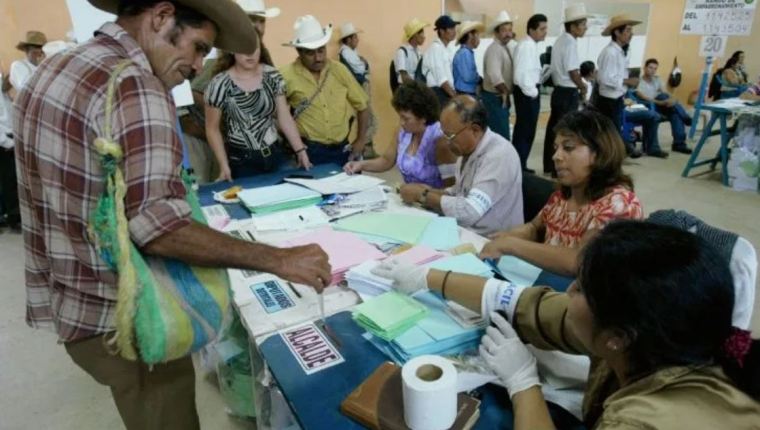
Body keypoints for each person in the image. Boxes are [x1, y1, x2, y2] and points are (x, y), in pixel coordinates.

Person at [13, 2, 331, 429]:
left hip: (76, 303)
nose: (198, 65)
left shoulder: (58, 67)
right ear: (161, 17)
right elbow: (157, 226)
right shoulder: (136, 85)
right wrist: (280, 260)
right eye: (198, 47)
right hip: (131, 318)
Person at [373, 221, 760, 429]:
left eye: (580, 288)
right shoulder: (655, 335)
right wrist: (428, 278)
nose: (568, 289)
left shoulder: (644, 421)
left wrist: (525, 386)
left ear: (616, 339)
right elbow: (525, 304)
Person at [480, 110, 643, 276]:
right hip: (548, 284)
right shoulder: (563, 195)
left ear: (599, 153)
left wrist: (511, 245)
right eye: (556, 148)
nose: (556, 157)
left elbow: (579, 262)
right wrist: (502, 237)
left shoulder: (619, 204)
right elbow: (534, 228)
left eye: (568, 148)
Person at [181, 0, 280, 183]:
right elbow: (191, 93)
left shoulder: (261, 56)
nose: (257, 25)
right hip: (199, 139)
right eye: (251, 19)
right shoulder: (219, 49)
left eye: (261, 20)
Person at [398, 95, 524, 235]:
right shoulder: (467, 151)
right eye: (443, 134)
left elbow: (469, 211)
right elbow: (461, 192)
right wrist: (432, 191)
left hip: (490, 240)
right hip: (468, 231)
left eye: (450, 136)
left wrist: (423, 195)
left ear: (475, 130)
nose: (446, 142)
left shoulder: (499, 155)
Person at [205, 44, 312, 180]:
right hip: (242, 159)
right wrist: (223, 164)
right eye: (243, 48)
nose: (250, 54)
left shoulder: (272, 75)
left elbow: (284, 116)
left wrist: (300, 150)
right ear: (232, 49)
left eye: (254, 47)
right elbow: (212, 129)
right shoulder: (219, 84)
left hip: (275, 153)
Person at [280, 15, 370, 165]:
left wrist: (360, 140)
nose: (318, 58)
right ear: (299, 51)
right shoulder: (285, 76)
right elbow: (274, 114)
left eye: (321, 50)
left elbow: (363, 105)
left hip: (342, 150)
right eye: (310, 53)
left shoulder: (339, 70)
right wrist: (295, 146)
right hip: (309, 152)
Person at [343, 81, 457, 188]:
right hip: (410, 199)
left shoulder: (440, 141)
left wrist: (423, 195)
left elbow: (451, 188)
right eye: (400, 117)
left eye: (406, 118)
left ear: (423, 117)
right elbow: (386, 160)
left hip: (432, 204)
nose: (401, 122)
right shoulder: (403, 131)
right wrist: (361, 165)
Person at [542, 4, 589, 177]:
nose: (585, 28)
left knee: (553, 130)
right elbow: (573, 72)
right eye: (583, 24)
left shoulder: (560, 40)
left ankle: (549, 165)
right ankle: (558, 169)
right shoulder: (570, 43)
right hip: (567, 93)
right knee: (565, 133)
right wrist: (583, 86)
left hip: (558, 91)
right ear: (574, 26)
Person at [596, 14, 642, 158]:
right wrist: (627, 81)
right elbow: (604, 79)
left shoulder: (621, 52)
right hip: (608, 99)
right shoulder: (610, 52)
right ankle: (613, 156)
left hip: (617, 96)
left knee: (614, 130)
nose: (631, 34)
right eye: (627, 30)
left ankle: (617, 153)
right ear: (617, 32)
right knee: (609, 131)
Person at [512, 14, 549, 173]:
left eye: (545, 28)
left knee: (527, 131)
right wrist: (533, 92)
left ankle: (521, 164)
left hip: (529, 92)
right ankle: (518, 166)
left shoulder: (531, 45)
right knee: (525, 131)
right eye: (542, 29)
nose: (545, 32)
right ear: (531, 29)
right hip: (527, 93)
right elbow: (521, 75)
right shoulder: (526, 46)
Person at [636, 58, 693, 154]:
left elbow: (666, 92)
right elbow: (643, 97)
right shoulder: (639, 81)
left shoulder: (657, 79)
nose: (652, 70)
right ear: (645, 68)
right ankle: (685, 117)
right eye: (650, 67)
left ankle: (679, 144)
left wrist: (672, 99)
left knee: (674, 112)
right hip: (649, 106)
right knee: (665, 99)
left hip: (662, 105)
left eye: (655, 68)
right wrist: (659, 103)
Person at [339, 22, 378, 158]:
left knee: (369, 121)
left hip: (362, 86)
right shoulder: (346, 52)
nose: (357, 40)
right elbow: (361, 68)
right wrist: (364, 62)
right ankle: (356, 146)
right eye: (355, 37)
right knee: (371, 121)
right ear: (348, 39)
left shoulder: (351, 52)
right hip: (360, 87)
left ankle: (364, 150)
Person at [481, 10, 515, 141]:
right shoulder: (495, 49)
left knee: (500, 134)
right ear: (496, 32)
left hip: (499, 97)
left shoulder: (503, 47)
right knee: (500, 137)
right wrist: (505, 93)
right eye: (504, 30)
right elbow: (495, 76)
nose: (508, 34)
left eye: (510, 30)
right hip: (495, 98)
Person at [422, 15, 459, 106]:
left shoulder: (446, 49)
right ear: (442, 31)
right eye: (451, 28)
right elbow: (441, 79)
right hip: (438, 93)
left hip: (445, 92)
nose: (454, 31)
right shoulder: (436, 49)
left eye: (454, 28)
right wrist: (455, 97)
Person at [0, 64, 18, 231]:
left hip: (9, 139)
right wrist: (7, 142)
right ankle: (11, 218)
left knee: (11, 182)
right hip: (3, 142)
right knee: (7, 182)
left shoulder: (5, 93)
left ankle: (12, 217)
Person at [452, 21, 485, 96]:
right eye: (477, 35)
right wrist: (479, 79)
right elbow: (468, 77)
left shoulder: (466, 52)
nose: (478, 39)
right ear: (470, 35)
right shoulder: (464, 53)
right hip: (465, 93)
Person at [394, 18, 428, 87]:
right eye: (422, 34)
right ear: (415, 35)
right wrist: (417, 87)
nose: (424, 37)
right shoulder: (402, 52)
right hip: (406, 89)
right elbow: (404, 76)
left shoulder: (419, 53)